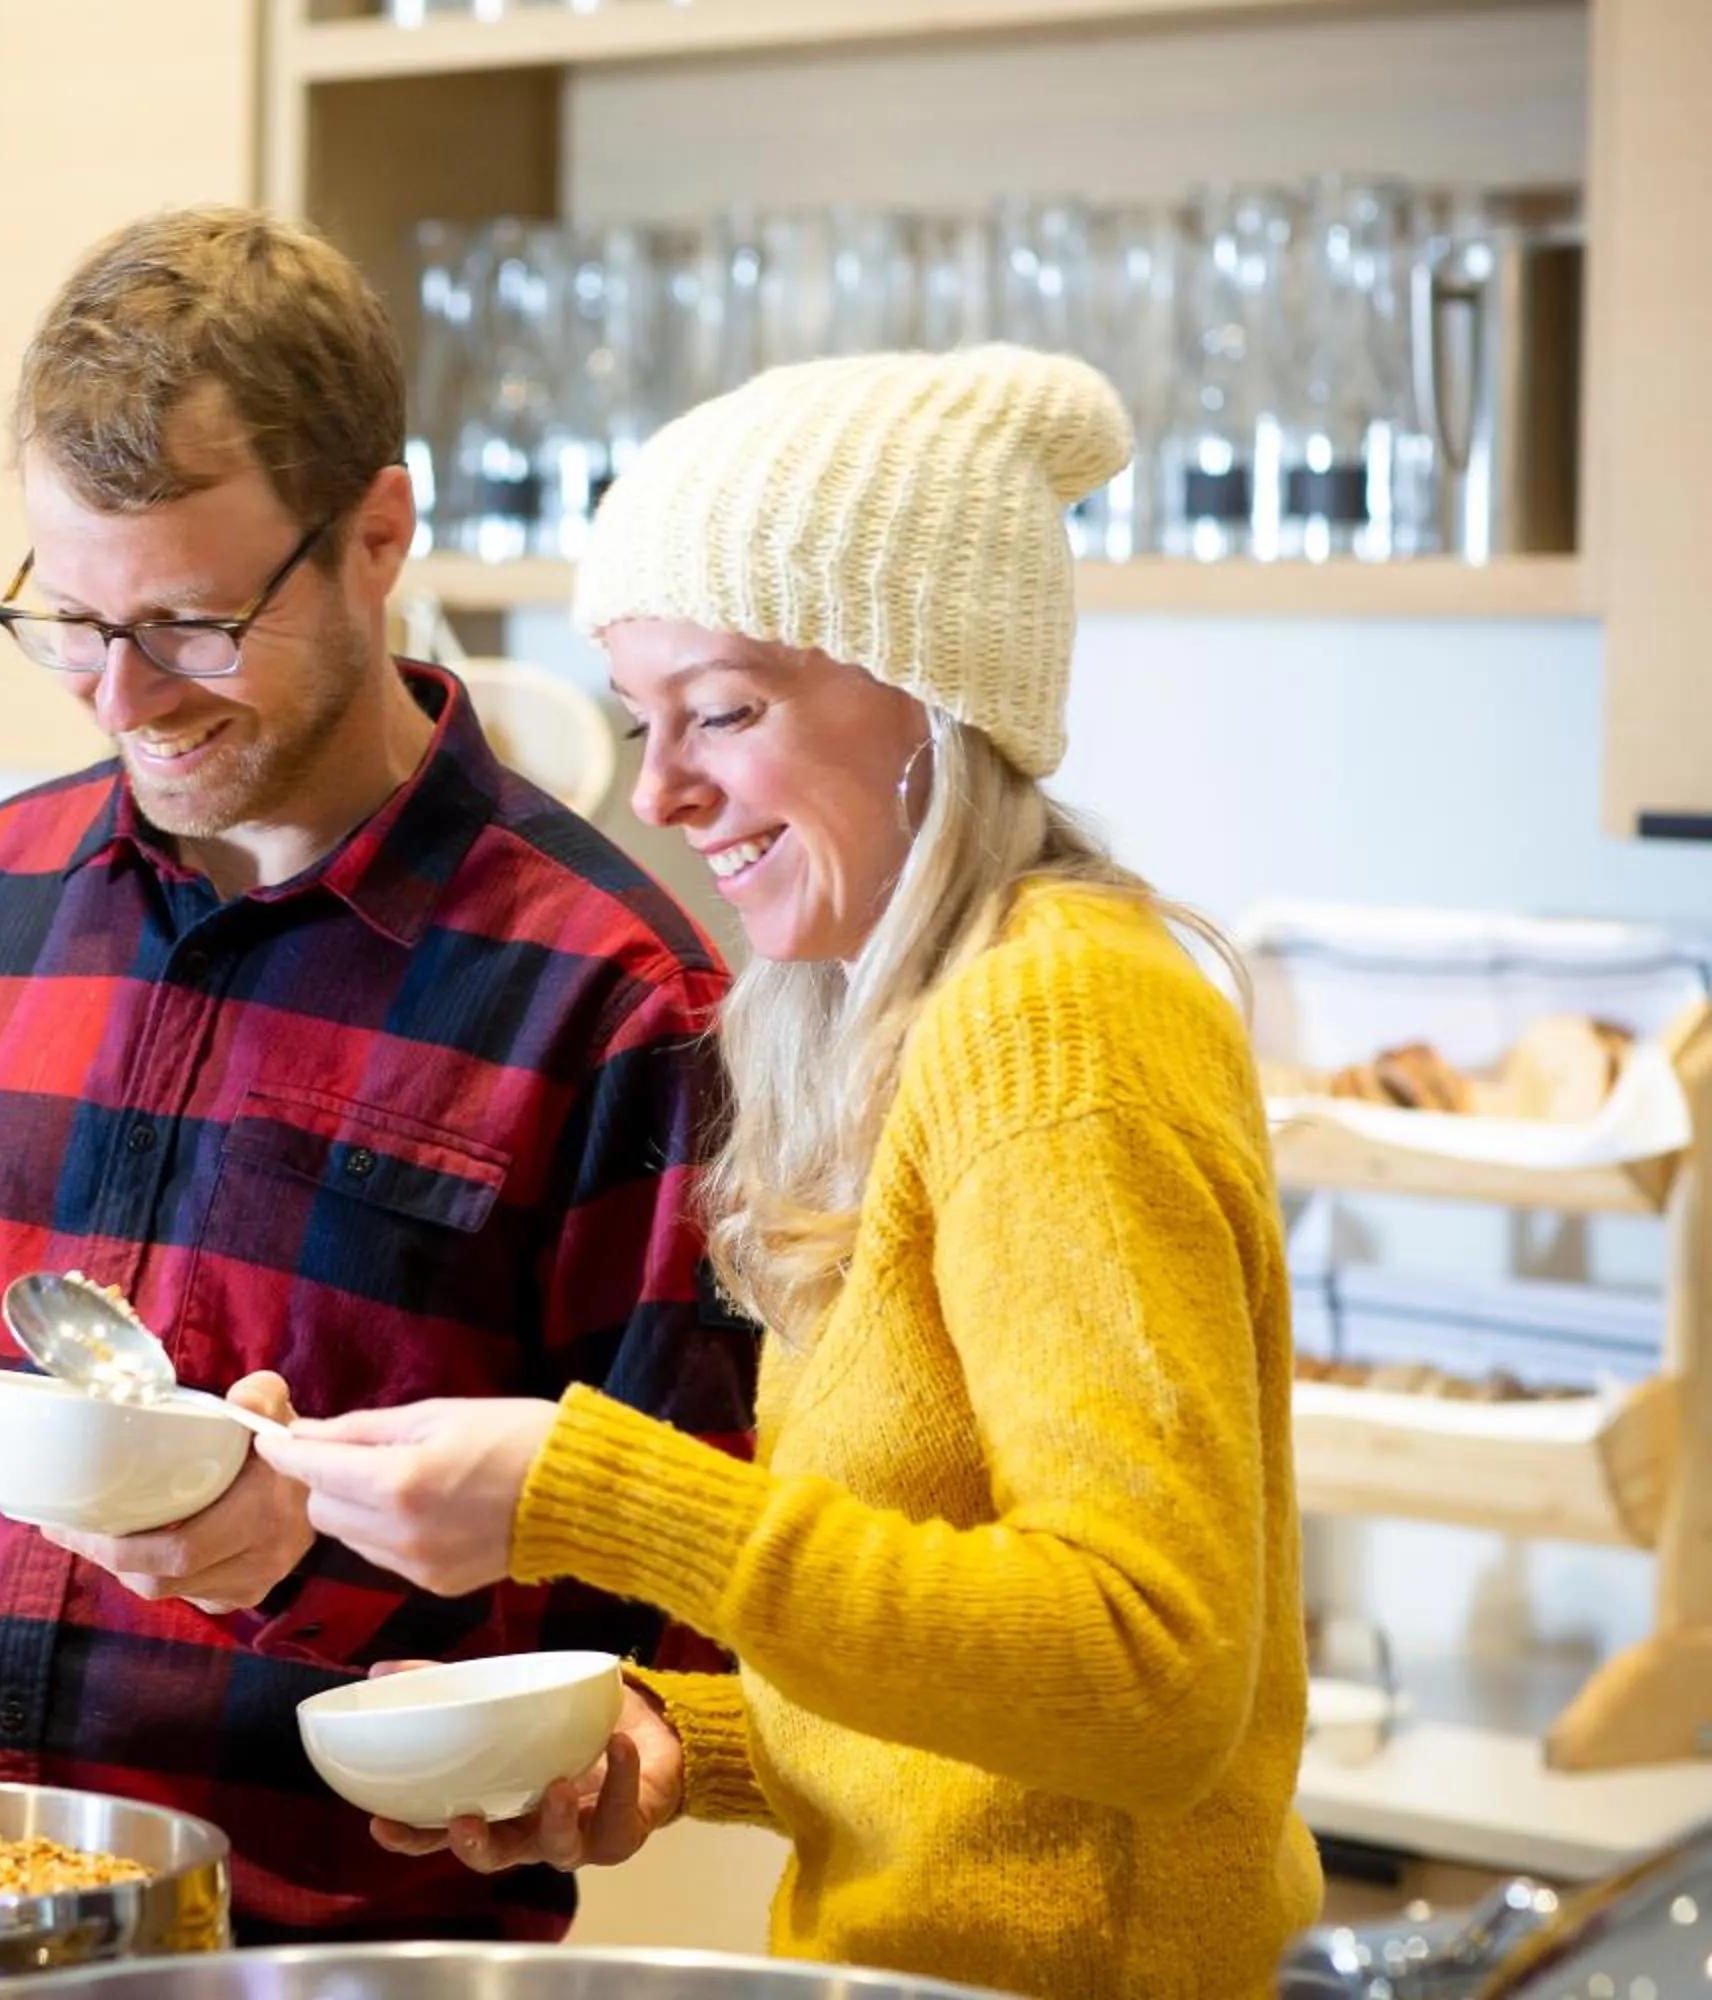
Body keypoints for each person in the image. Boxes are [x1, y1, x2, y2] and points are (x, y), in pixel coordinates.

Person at [0, 204, 758, 1943]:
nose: (121, 698)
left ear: (377, 535)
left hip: (273, 1955)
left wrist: (305, 1567)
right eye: (70, 623)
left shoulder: (615, 998)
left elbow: (656, 1630)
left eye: (188, 624)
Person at [256, 344, 1322, 1996]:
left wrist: (588, 1493)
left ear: (932, 688)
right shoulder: (903, 1021)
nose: (664, 792)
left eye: (726, 711)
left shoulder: (1059, 1022)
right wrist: (673, 1742)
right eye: (641, 721)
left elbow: (1147, 1679)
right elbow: (988, 1724)